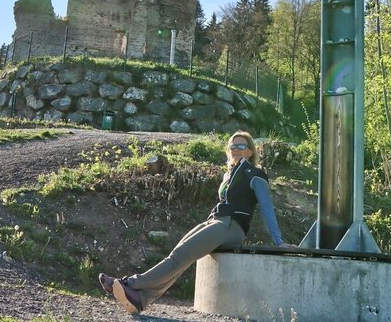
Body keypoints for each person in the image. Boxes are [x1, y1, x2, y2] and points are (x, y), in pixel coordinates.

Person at [98, 131, 295, 314]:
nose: (235, 150)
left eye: (241, 146)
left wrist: (278, 241)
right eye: (232, 146)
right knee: (179, 258)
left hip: (232, 226)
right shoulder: (228, 174)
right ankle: (139, 299)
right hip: (216, 221)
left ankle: (129, 284)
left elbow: (267, 208)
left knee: (178, 257)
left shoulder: (255, 174)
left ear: (250, 150)